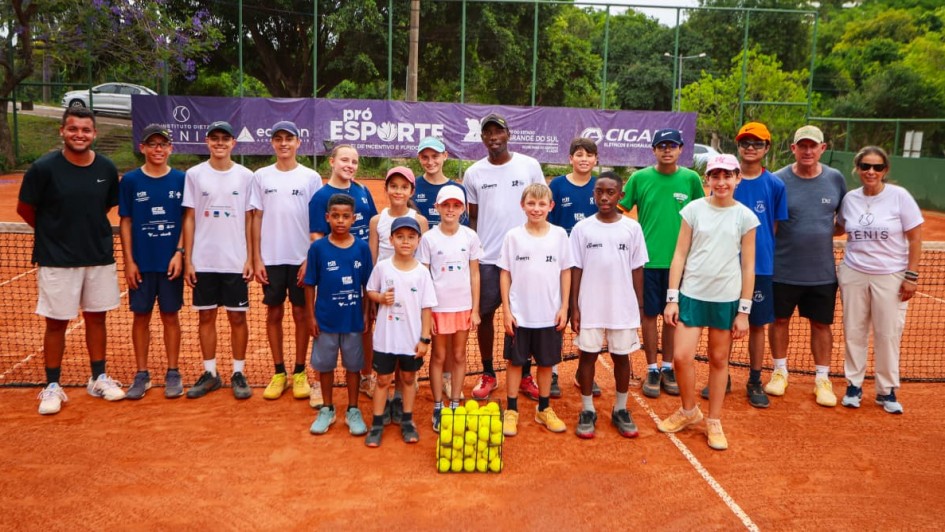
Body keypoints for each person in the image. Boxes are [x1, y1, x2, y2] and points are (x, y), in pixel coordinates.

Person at [18, 107, 124, 414]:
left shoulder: (105, 167)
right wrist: (53, 232)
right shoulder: (43, 168)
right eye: (73, 129)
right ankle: (52, 385)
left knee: (97, 318)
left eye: (86, 130)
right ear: (62, 132)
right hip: (57, 260)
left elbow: (103, 206)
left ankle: (98, 377)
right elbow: (26, 209)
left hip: (98, 256)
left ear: (94, 134)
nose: (80, 134)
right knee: (56, 324)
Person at [657, 154, 758, 450]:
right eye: (716, 176)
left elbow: (748, 267)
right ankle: (689, 411)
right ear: (708, 180)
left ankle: (714, 420)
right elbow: (679, 255)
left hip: (726, 299)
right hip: (691, 294)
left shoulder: (746, 217)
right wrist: (672, 298)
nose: (722, 182)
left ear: (737, 178)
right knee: (681, 357)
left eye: (727, 176)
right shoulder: (693, 210)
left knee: (718, 360)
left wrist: (743, 311)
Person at [701, 122, 787, 408]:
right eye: (745, 142)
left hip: (758, 268)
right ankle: (721, 375)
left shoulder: (775, 185)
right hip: (722, 267)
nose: (750, 148)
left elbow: (772, 228)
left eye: (757, 143)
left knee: (757, 325)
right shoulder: (723, 182)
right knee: (721, 324)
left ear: (767, 147)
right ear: (738, 147)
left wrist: (757, 257)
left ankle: (754, 379)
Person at [617, 128, 704, 399]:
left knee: (672, 317)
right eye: (661, 145)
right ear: (653, 150)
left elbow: (703, 215)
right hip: (646, 262)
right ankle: (652, 369)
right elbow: (618, 212)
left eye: (672, 145)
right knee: (648, 315)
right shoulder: (639, 178)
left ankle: (668, 367)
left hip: (680, 264)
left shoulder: (690, 179)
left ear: (680, 149)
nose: (667, 150)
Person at [464, 112, 545, 402]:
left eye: (498, 132)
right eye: (488, 133)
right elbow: (473, 219)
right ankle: (488, 373)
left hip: (524, 257)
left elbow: (540, 204)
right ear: (483, 137)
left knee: (524, 316)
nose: (493, 137)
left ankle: (524, 374)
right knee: (484, 316)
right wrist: (471, 255)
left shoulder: (529, 166)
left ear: (508, 135)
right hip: (487, 260)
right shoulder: (473, 173)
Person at [837, 146, 923, 415]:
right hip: (854, 272)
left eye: (876, 167)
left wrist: (911, 275)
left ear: (885, 170)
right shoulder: (850, 199)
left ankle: (887, 390)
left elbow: (915, 238)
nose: (870, 171)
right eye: (865, 166)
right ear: (857, 169)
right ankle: (854, 385)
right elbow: (839, 227)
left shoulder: (900, 197)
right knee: (854, 330)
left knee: (888, 334)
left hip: (891, 275)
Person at [767, 125, 847, 407]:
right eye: (802, 146)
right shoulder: (778, 181)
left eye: (813, 146)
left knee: (821, 325)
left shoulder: (836, 179)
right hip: (783, 269)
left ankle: (822, 379)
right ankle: (779, 372)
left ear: (822, 149)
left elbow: (842, 221)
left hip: (822, 272)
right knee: (779, 321)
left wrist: (817, 232)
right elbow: (770, 225)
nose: (808, 151)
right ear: (793, 149)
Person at [570, 173, 648, 439]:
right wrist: (574, 307)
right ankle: (588, 410)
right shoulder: (582, 229)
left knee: (621, 357)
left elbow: (638, 269)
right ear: (594, 193)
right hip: (589, 304)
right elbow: (576, 269)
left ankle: (621, 409)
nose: (604, 197)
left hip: (622, 305)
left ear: (621, 196)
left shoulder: (632, 228)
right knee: (588, 356)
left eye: (611, 192)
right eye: (599, 191)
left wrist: (638, 305)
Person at [181, 121, 255, 400]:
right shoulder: (194, 174)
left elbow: (250, 219)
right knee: (206, 315)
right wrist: (189, 259)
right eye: (215, 138)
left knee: (238, 317)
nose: (220, 143)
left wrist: (250, 257)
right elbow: (188, 218)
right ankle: (210, 373)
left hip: (235, 261)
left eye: (225, 138)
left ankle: (238, 372)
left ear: (233, 143)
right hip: (204, 260)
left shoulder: (247, 176)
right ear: (207, 141)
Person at [250, 121, 322, 404]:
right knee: (273, 314)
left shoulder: (311, 177)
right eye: (278, 138)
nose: (283, 144)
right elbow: (255, 217)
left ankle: (300, 371)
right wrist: (257, 258)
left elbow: (317, 222)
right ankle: (279, 372)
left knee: (302, 314)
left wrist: (310, 258)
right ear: (272, 143)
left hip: (302, 258)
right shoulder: (261, 176)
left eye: (288, 139)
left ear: (298, 142)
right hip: (271, 259)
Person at [498, 183, 574, 436]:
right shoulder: (513, 237)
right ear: (522, 206)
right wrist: (507, 311)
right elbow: (505, 273)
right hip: (520, 315)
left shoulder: (560, 235)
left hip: (549, 314)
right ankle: (511, 410)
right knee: (515, 362)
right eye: (531, 203)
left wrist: (564, 306)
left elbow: (566, 271)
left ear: (551, 206)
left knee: (545, 363)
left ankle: (543, 409)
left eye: (542, 204)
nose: (536, 208)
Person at [118, 124, 186, 400]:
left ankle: (173, 371)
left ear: (170, 148)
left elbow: (186, 220)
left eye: (163, 144)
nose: (158, 149)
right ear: (142, 148)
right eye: (152, 144)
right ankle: (142, 373)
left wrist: (179, 252)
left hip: (171, 263)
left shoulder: (181, 179)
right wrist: (129, 261)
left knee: (171, 316)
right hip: (142, 264)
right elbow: (126, 222)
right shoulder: (131, 181)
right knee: (140, 316)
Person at [308, 145, 379, 400]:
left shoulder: (362, 191)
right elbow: (316, 233)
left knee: (365, 323)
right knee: (325, 321)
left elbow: (374, 225)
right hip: (333, 267)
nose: (349, 165)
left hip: (361, 263)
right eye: (344, 160)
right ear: (332, 162)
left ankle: (365, 377)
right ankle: (318, 384)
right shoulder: (321, 196)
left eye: (354, 161)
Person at [364, 217, 437, 447]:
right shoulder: (383, 267)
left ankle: (407, 420)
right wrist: (380, 298)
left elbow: (427, 308)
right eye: (400, 237)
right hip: (385, 339)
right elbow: (370, 290)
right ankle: (377, 423)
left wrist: (425, 338)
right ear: (391, 239)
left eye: (411, 237)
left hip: (411, 339)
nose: (405, 242)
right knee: (383, 379)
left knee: (407, 378)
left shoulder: (422, 273)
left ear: (418, 241)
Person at [305, 194, 373, 436]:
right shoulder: (317, 248)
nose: (340, 221)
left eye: (346, 216)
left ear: (354, 218)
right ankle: (327, 408)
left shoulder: (363, 249)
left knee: (354, 366)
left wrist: (366, 314)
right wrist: (311, 317)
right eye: (335, 216)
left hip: (353, 320)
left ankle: (353, 409)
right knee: (325, 366)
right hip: (325, 320)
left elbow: (368, 286)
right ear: (327, 218)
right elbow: (310, 284)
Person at [418, 186, 482, 430]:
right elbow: (425, 278)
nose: (451, 210)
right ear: (438, 207)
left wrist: (475, 309)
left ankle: (455, 403)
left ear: (463, 209)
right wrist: (428, 312)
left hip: (463, 308)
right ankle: (438, 407)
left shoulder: (470, 237)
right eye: (446, 205)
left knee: (458, 355)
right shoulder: (429, 239)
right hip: (438, 310)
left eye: (456, 205)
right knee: (438, 356)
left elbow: (474, 274)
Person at [368, 166, 428, 423]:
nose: (398, 191)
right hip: (384, 296)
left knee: (407, 348)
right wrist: (374, 298)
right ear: (386, 189)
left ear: (411, 191)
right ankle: (385, 397)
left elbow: (422, 262)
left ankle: (402, 405)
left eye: (404, 187)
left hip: (411, 294)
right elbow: (373, 258)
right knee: (386, 344)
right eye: (394, 186)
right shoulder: (376, 221)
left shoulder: (420, 220)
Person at [548, 137, 603, 398]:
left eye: (589, 155)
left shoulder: (600, 187)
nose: (584, 159)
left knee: (587, 320)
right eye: (579, 154)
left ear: (596, 160)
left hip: (590, 266)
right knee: (557, 319)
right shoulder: (557, 185)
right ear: (570, 158)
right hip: (560, 264)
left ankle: (584, 373)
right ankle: (554, 373)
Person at [414, 136, 468, 399]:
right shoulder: (414, 185)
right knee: (423, 327)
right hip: (421, 260)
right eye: (425, 157)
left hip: (449, 263)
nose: (430, 161)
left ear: (445, 156)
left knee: (451, 347)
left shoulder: (456, 188)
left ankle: (448, 380)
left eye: (435, 156)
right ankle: (410, 374)